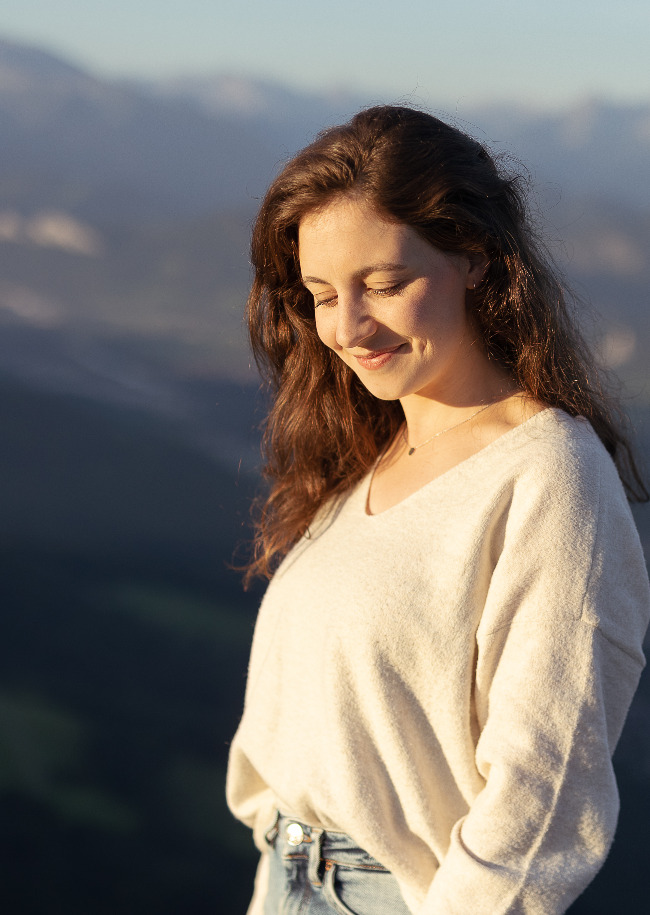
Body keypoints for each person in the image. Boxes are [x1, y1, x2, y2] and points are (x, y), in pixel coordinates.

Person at [226, 105, 650, 915]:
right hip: (292, 880)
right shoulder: (370, 456)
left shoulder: (549, 474)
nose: (348, 327)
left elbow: (545, 798)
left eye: (385, 285)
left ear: (476, 258)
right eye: (321, 294)